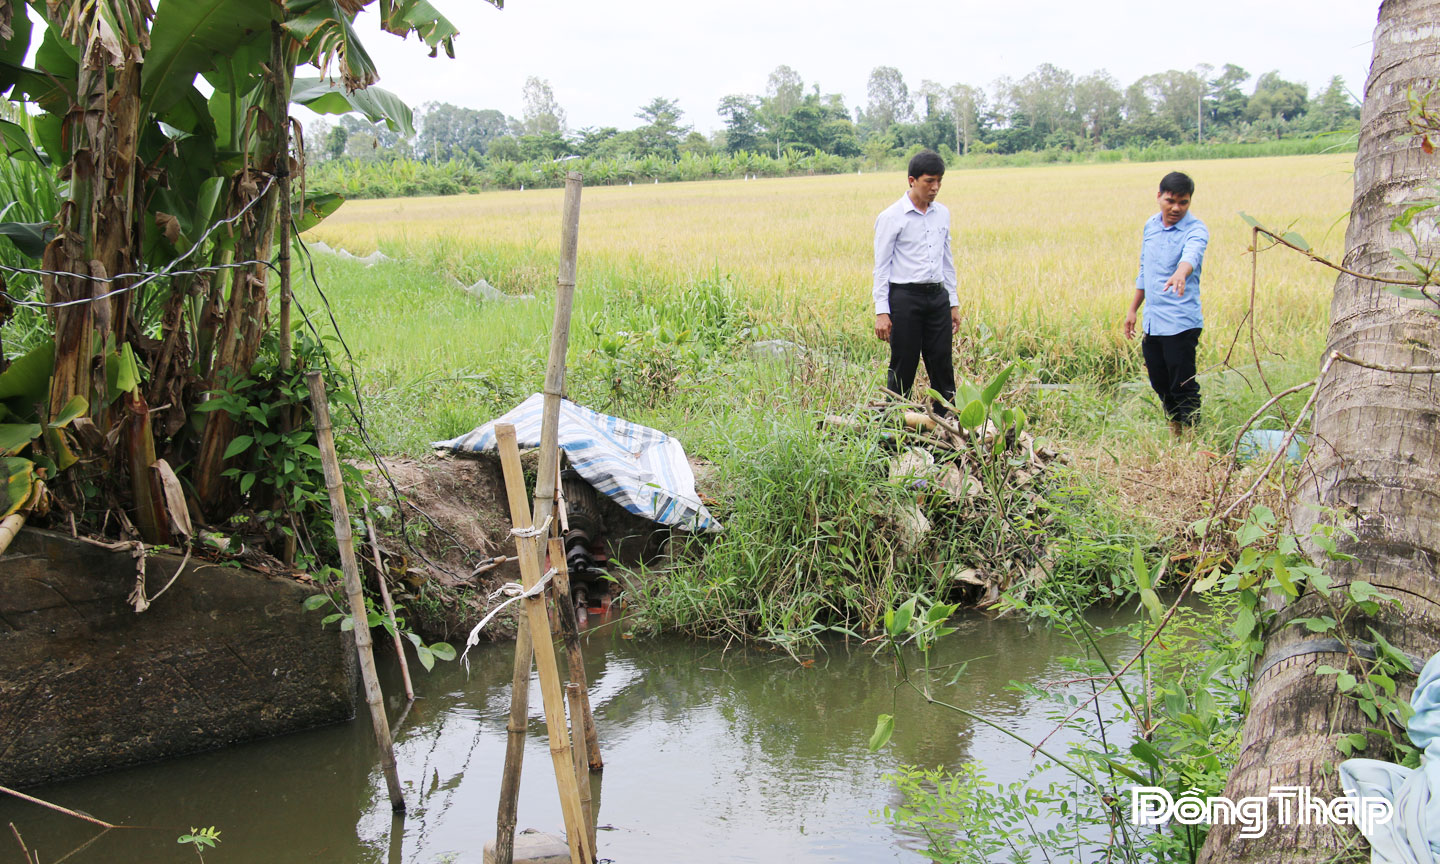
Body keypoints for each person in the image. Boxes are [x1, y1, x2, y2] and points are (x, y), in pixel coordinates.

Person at [873, 149, 960, 414]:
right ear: (911, 180)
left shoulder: (942, 214)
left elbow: (947, 260)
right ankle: (894, 424)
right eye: (929, 181)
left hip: (937, 297)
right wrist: (882, 311)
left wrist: (953, 303)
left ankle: (948, 423)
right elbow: (881, 266)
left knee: (942, 362)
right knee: (904, 363)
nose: (935, 188)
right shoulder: (891, 217)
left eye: (939, 181)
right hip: (905, 298)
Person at [1124, 171, 1209, 438]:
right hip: (1153, 320)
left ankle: (1191, 439)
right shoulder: (1151, 225)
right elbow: (1144, 269)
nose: (1176, 208)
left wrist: (1181, 273)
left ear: (1189, 202)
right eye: (1170, 200)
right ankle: (1176, 433)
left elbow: (1191, 255)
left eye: (1183, 202)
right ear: (1159, 196)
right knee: (1160, 383)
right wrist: (1133, 309)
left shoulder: (1196, 230)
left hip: (1181, 322)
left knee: (1182, 384)